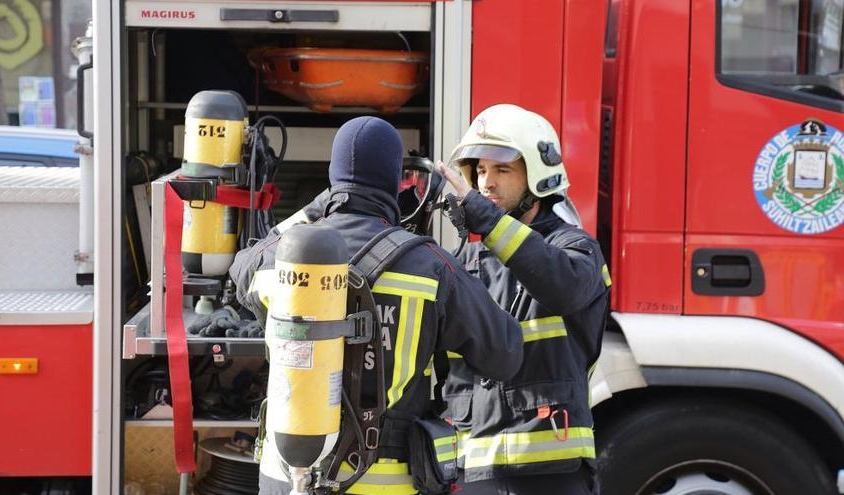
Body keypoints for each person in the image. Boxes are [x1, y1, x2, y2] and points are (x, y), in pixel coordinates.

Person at [229, 115, 525, 495]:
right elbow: (506, 355)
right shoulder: (433, 267)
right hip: (382, 482)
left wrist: (317, 208)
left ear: (333, 178)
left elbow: (241, 268)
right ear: (393, 180)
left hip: (285, 478)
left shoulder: (280, 258)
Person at [437, 104, 612, 495]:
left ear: (538, 178)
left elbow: (560, 286)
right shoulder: (464, 262)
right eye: (480, 170)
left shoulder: (576, 250)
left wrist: (490, 224)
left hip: (551, 473)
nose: (486, 183)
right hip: (474, 472)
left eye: (502, 170)